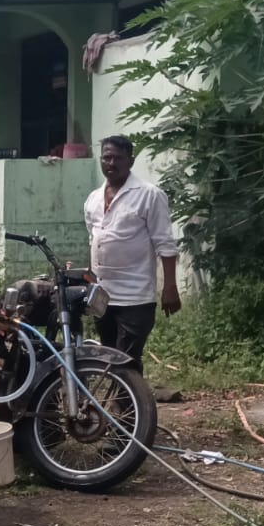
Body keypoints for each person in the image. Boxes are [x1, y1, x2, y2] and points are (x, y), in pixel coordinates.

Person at [82, 135, 181, 373]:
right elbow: (94, 240)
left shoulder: (149, 195)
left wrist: (169, 287)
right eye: (106, 157)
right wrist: (90, 281)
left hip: (135, 296)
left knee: (127, 359)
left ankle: (131, 397)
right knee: (108, 355)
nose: (111, 163)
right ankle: (121, 397)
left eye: (118, 158)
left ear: (131, 161)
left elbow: (165, 244)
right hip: (103, 296)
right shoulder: (93, 199)